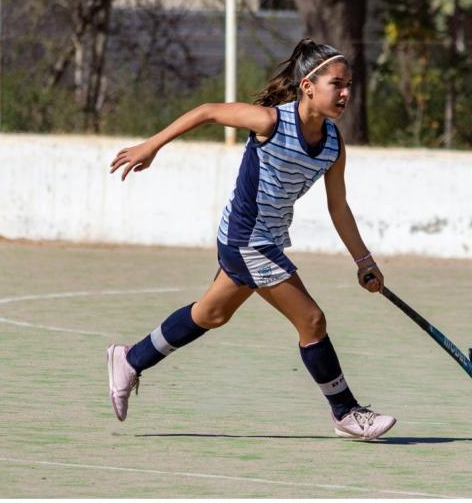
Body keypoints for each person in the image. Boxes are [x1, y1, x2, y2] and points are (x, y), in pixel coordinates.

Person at [106, 39, 396, 440]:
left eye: (349, 84)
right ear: (308, 85)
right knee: (311, 320)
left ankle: (130, 359)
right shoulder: (270, 122)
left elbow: (338, 207)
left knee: (211, 314)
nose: (346, 93)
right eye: (337, 84)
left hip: (268, 239)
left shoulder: (332, 143)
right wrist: (151, 145)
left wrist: (364, 260)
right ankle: (346, 413)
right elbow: (208, 111)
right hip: (246, 238)